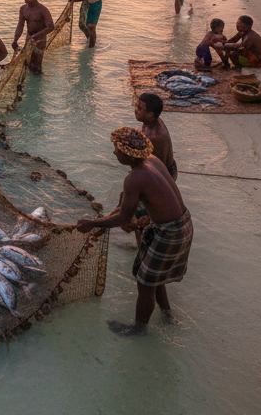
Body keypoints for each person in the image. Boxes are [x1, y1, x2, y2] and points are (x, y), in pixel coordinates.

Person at [77, 128, 191, 335]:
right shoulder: (153, 160)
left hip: (169, 233)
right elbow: (129, 207)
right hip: (183, 223)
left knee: (145, 283)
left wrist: (93, 223)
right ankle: (167, 315)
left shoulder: (134, 178)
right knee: (154, 277)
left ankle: (139, 330)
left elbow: (122, 218)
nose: (114, 154)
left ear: (129, 155)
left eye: (117, 150)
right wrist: (102, 219)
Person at [13, 0, 54, 75]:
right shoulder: (23, 9)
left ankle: (38, 83)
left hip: (40, 39)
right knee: (26, 64)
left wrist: (36, 37)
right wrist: (15, 40)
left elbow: (51, 26)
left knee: (36, 66)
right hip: (29, 38)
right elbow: (20, 26)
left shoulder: (43, 10)